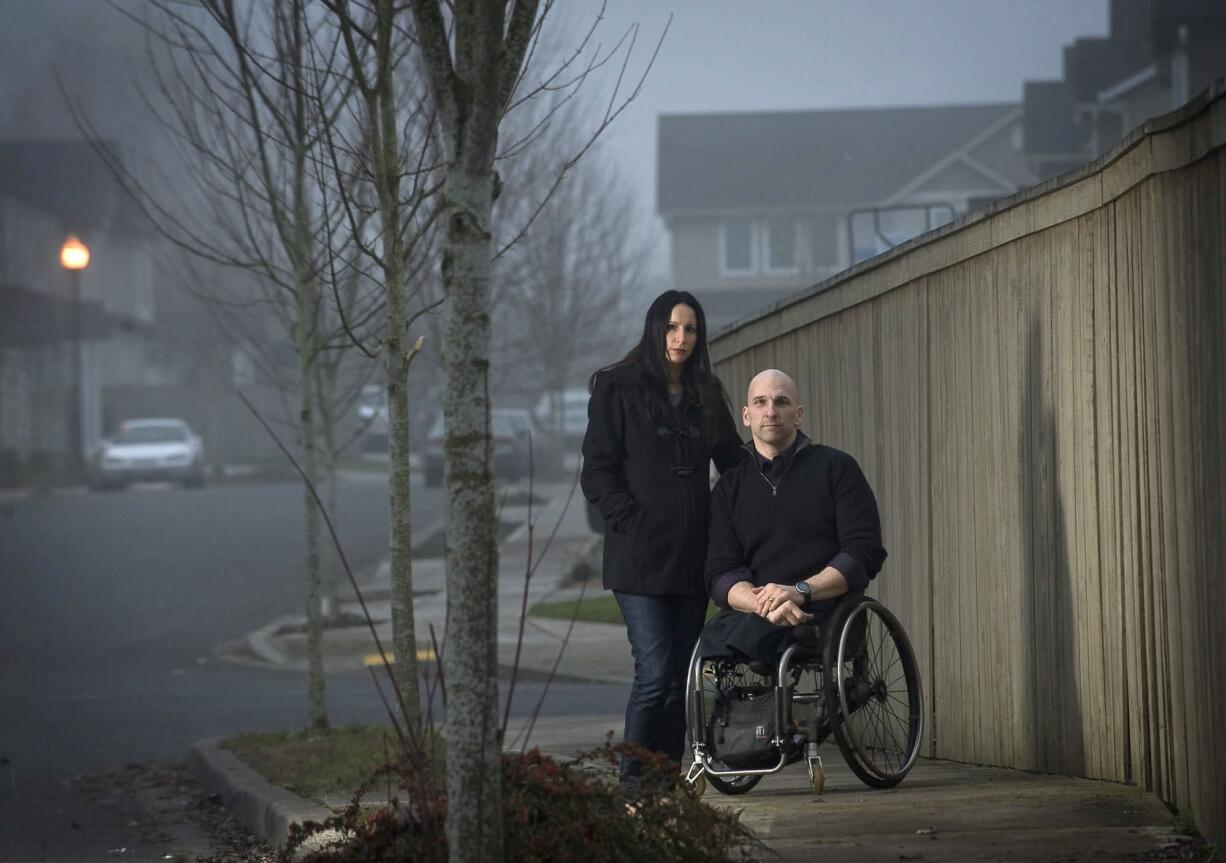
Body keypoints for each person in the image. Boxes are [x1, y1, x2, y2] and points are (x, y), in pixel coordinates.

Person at [581, 290, 745, 797]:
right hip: (638, 559)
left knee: (680, 679)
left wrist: (775, 471)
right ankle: (633, 784)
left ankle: (665, 782)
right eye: (672, 327)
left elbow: (734, 464)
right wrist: (630, 519)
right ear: (655, 329)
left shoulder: (706, 394)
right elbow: (598, 470)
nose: (681, 338)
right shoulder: (617, 386)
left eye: (691, 329)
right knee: (653, 674)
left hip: (692, 558)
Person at [703, 369, 887, 659]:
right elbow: (720, 570)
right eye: (761, 402)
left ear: (798, 414)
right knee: (711, 644)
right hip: (756, 611)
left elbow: (863, 552)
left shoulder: (837, 469)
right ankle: (749, 701)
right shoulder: (729, 488)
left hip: (825, 608)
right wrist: (765, 605)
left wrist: (799, 591)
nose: (771, 412)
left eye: (781, 402)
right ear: (746, 416)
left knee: (743, 640)